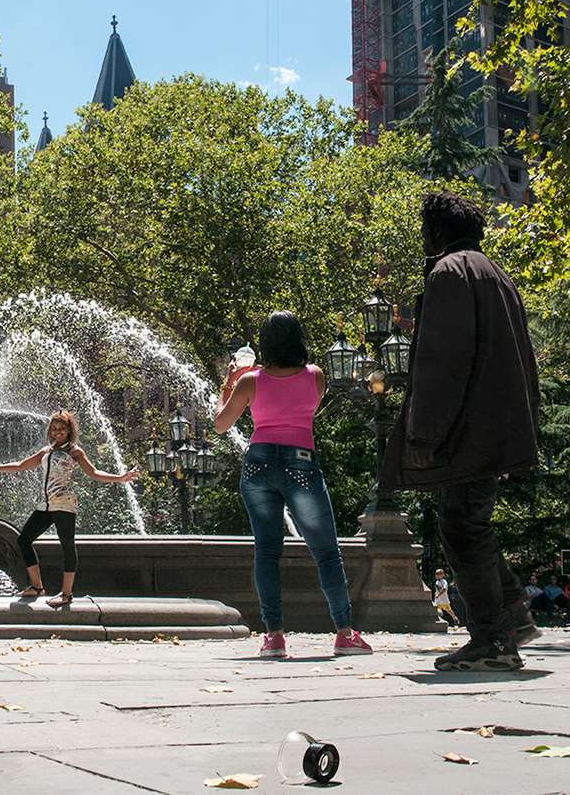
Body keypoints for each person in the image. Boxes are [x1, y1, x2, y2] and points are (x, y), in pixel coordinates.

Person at [380, 193, 539, 672]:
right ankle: (511, 612)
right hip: (500, 424)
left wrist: (424, 436)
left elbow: (441, 363)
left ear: (439, 233)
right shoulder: (496, 274)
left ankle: (493, 639)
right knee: (470, 520)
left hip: (469, 428)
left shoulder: (450, 273)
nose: (422, 239)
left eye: (424, 230)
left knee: (460, 524)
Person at [214, 311, 373, 658]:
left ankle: (274, 637)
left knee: (267, 553)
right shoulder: (315, 376)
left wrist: (230, 382)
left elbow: (220, 424)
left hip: (257, 465)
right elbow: (304, 413)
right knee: (327, 552)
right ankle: (345, 633)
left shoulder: (250, 382)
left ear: (265, 343)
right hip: (301, 463)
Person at [0, 410, 138, 609]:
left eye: (61, 428)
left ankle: (66, 594)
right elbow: (20, 465)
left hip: (65, 503)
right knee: (23, 539)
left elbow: (94, 473)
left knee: (67, 545)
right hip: (45, 505)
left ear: (69, 430)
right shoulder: (46, 451)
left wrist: (120, 478)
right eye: (54, 428)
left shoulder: (74, 451)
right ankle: (37, 587)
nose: (57, 432)